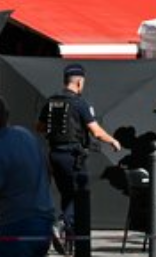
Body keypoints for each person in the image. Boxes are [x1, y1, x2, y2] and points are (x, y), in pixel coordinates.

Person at [36, 63, 121, 227]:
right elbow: (96, 132)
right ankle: (64, 223)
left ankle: (68, 232)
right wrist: (113, 140)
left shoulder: (51, 101)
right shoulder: (79, 103)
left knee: (66, 193)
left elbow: (39, 127)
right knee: (80, 193)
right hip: (73, 156)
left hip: (54, 155)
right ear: (79, 82)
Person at [0, 94, 55, 257]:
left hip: (16, 226)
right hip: (43, 224)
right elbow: (47, 170)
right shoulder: (26, 136)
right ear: (7, 115)